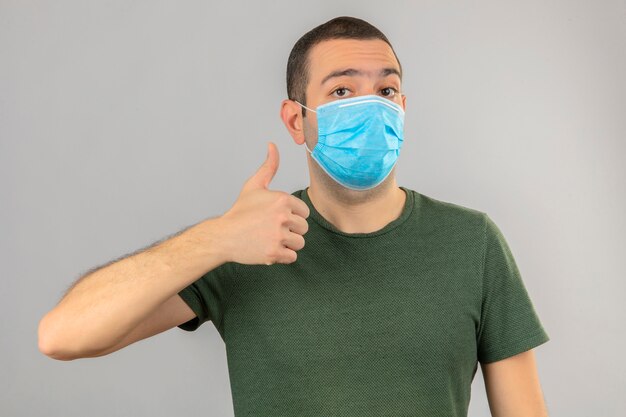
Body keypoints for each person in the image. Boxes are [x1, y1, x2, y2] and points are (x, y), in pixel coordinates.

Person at [38, 16, 551, 417]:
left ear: (403, 106)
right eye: (343, 91)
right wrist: (214, 239)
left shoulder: (472, 242)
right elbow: (62, 336)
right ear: (296, 120)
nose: (371, 107)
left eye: (387, 90)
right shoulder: (248, 243)